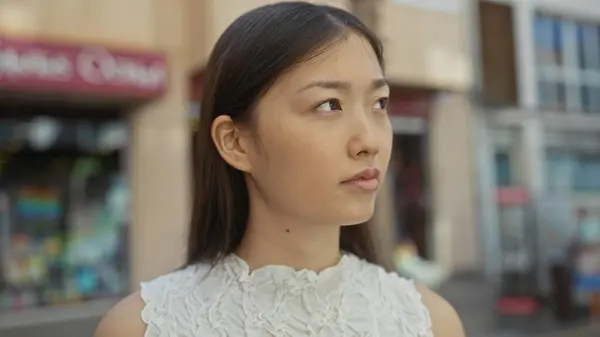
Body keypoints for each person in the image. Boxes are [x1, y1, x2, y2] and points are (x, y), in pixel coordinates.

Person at [94, 2, 465, 336]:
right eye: (328, 105)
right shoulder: (144, 326)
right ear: (235, 142)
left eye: (379, 103)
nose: (369, 140)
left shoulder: (427, 321)